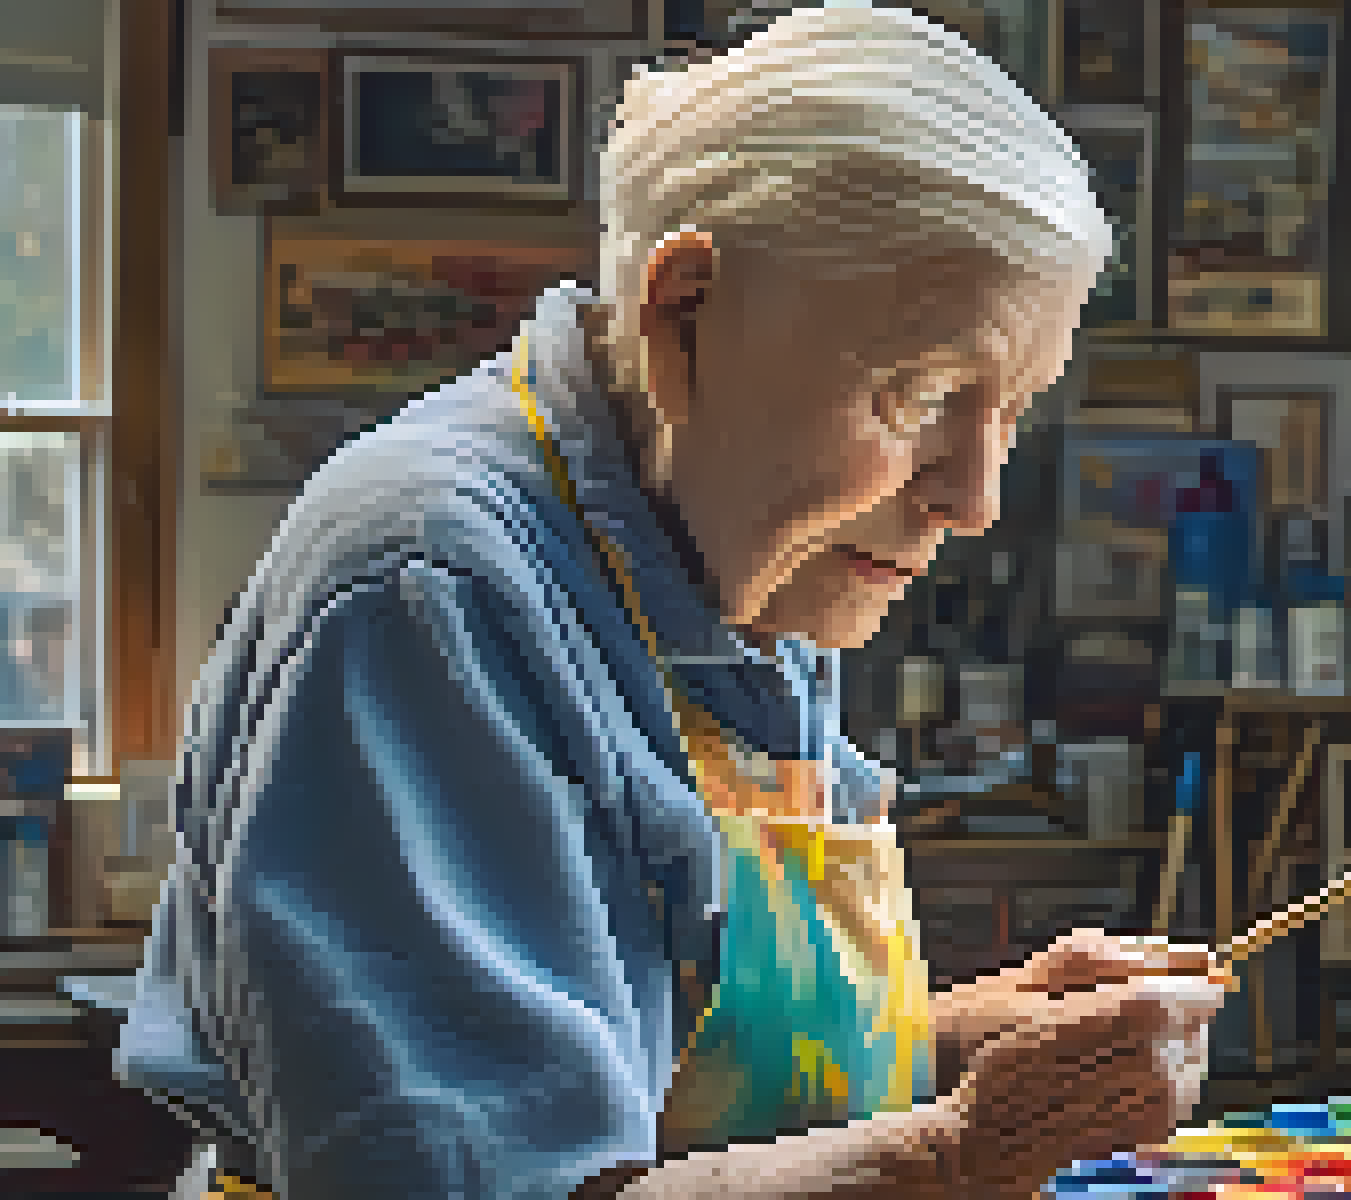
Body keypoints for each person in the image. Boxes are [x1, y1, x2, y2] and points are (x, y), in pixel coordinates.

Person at [118, 8, 1225, 1199]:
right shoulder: (434, 588)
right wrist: (960, 1149)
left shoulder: (739, 545)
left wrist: (967, 1044)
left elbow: (671, 1085)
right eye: (923, 395)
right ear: (683, 313)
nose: (975, 500)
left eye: (1012, 411)